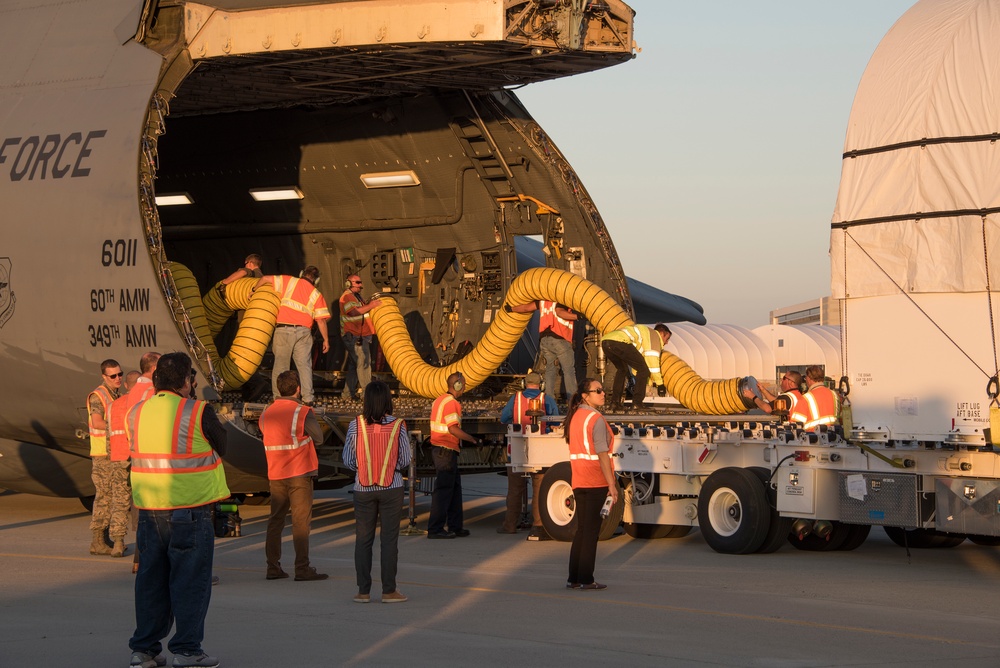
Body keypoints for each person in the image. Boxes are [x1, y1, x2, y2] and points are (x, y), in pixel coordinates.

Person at [125, 352, 229, 668]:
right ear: (187, 382)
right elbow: (222, 446)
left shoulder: (136, 412)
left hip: (149, 512)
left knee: (150, 582)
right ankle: (186, 650)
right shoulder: (198, 411)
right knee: (190, 582)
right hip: (190, 512)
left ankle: (144, 650)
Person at [342, 380, 412, 603]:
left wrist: (363, 469)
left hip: (363, 488)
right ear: (388, 401)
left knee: (363, 540)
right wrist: (390, 468)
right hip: (391, 488)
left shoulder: (356, 425)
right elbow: (405, 459)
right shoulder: (398, 425)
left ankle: (363, 591)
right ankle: (389, 591)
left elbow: (348, 459)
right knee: (389, 541)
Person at [258, 370, 328, 582]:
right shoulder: (302, 411)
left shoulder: (266, 413)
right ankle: (302, 568)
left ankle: (273, 567)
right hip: (299, 472)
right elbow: (319, 438)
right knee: (300, 522)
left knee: (275, 521)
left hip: (276, 473)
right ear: (298, 388)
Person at [564, 378, 617, 591]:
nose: (603, 393)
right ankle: (586, 578)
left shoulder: (575, 416)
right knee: (591, 532)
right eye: (598, 391)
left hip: (579, 479)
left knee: (582, 529)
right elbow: (602, 455)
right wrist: (611, 484)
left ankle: (574, 578)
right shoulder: (595, 419)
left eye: (603, 390)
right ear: (586, 395)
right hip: (595, 480)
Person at [256, 266, 331, 405]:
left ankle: (278, 398)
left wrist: (253, 291)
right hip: (304, 332)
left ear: (301, 273)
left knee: (280, 366)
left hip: (284, 330)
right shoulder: (316, 294)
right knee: (304, 367)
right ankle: (308, 399)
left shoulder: (289, 281)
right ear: (317, 280)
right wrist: (326, 340)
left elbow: (264, 279)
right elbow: (320, 320)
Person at [498, 371, 558, 539]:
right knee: (539, 487)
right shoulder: (547, 399)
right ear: (541, 385)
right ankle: (537, 526)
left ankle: (510, 525)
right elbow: (556, 422)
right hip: (541, 449)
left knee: (515, 489)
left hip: (518, 447)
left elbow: (504, 418)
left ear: (524, 384)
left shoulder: (515, 399)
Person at [426, 371, 481, 539]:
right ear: (457, 385)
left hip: (443, 450)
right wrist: (472, 439)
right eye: (463, 384)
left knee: (455, 490)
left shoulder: (439, 400)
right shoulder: (452, 403)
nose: (464, 387)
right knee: (443, 491)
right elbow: (452, 428)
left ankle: (456, 526)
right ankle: (435, 529)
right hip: (445, 450)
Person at [508, 300, 578, 402]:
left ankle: (549, 400)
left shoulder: (543, 301)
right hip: (560, 337)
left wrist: (511, 308)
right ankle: (573, 401)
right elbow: (560, 312)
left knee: (550, 370)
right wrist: (578, 317)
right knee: (568, 371)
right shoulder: (562, 297)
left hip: (545, 339)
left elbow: (526, 308)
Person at [87, 358, 123, 556]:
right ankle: (97, 541)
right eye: (113, 376)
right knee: (104, 497)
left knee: (111, 497)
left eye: (120, 374)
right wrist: (119, 427)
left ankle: (104, 537)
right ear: (104, 377)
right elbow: (97, 422)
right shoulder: (98, 396)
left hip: (113, 452)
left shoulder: (114, 394)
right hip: (102, 455)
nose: (118, 378)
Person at [102, 369, 139, 558]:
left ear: (125, 385)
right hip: (136, 457)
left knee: (119, 501)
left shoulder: (112, 406)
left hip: (117, 457)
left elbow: (108, 432)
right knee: (142, 502)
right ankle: (143, 544)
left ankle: (117, 543)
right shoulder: (140, 403)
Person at [600, 323, 671, 410]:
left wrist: (646, 381)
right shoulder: (655, 336)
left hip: (606, 342)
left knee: (622, 370)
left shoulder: (646, 334)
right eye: (667, 338)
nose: (667, 342)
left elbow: (636, 363)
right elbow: (652, 362)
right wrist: (660, 384)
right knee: (643, 370)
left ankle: (615, 403)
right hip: (620, 342)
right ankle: (637, 403)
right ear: (662, 333)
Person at [339, 274, 382, 400]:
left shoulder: (356, 297)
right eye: (357, 282)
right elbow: (353, 312)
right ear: (349, 283)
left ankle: (347, 395)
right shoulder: (347, 297)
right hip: (354, 336)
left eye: (360, 282)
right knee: (364, 365)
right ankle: (367, 396)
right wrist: (372, 305)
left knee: (354, 366)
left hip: (359, 336)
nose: (360, 285)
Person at [744, 370, 809, 424]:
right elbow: (776, 402)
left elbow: (768, 409)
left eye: (784, 378)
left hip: (788, 432)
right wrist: (763, 390)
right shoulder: (796, 395)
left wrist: (753, 396)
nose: (781, 380)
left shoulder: (787, 397)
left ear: (791, 382)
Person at [803, 365, 839, 432]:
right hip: (834, 435)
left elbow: (797, 423)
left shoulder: (806, 397)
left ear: (809, 378)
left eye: (806, 378)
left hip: (813, 437)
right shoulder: (834, 394)